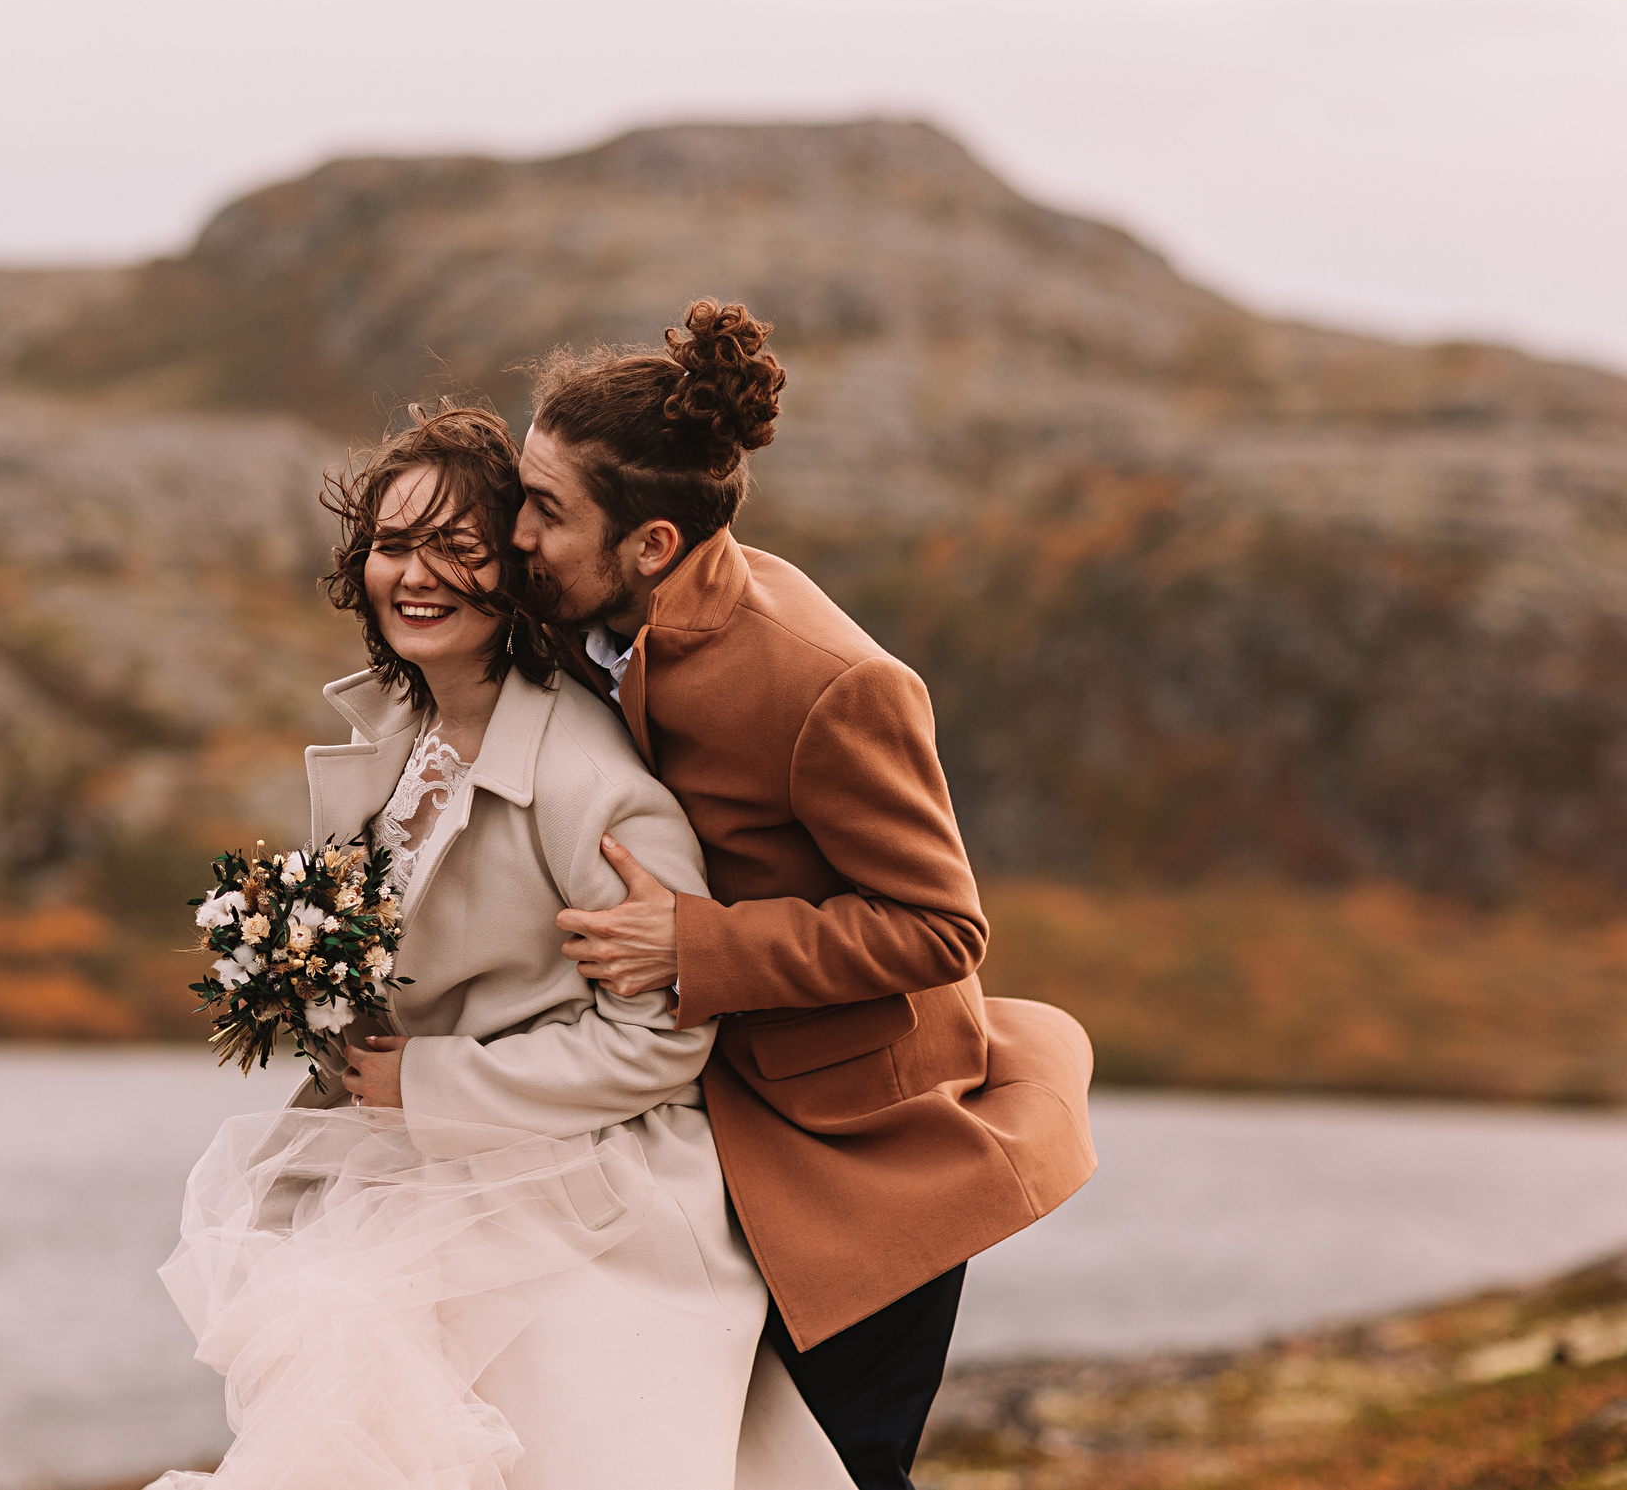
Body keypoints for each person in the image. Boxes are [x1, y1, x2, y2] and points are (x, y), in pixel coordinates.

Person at [150, 405, 851, 1490]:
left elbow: (663, 1043)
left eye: (456, 548)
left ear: (514, 570)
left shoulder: (589, 776)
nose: (414, 575)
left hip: (585, 1191)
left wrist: (423, 1082)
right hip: (431, 1164)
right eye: (391, 545)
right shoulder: (400, 729)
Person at [510, 299, 1100, 1490]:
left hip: (870, 1159)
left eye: (543, 509)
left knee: (835, 1472)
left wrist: (700, 944)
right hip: (704, 1131)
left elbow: (941, 926)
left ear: (652, 544)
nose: (513, 532)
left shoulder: (834, 683)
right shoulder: (588, 618)